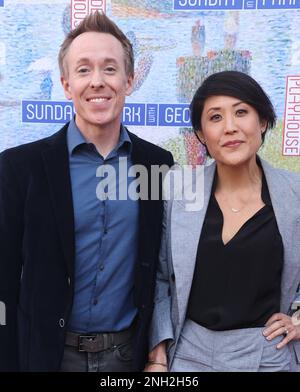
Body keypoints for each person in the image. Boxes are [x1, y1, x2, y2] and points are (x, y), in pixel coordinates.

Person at [0, 12, 173, 372]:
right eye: (83, 70)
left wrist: (156, 353)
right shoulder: (20, 168)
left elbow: (160, 267)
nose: (97, 81)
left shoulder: (157, 164)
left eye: (110, 69)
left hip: (128, 358)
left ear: (129, 80)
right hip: (46, 356)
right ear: (66, 84)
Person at [146, 71, 300, 372]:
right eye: (215, 117)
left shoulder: (294, 194)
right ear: (202, 134)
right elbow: (161, 279)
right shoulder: (177, 194)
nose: (230, 128)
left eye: (241, 112)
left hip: (268, 354)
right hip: (189, 354)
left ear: (263, 121)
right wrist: (157, 356)